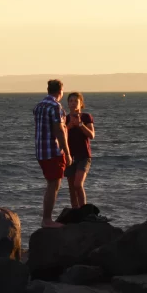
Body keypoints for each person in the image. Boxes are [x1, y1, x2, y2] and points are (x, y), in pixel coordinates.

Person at [34, 79, 72, 228]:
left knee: (51, 183)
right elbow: (59, 130)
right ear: (60, 91)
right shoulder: (55, 106)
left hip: (41, 150)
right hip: (52, 151)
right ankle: (47, 219)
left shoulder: (39, 106)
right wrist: (67, 152)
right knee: (54, 184)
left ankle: (47, 218)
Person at [64, 92, 95, 209]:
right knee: (72, 187)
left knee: (78, 184)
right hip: (69, 156)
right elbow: (60, 137)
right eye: (70, 101)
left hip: (84, 156)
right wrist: (68, 127)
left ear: (81, 103)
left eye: (75, 101)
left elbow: (91, 135)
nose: (73, 103)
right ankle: (75, 211)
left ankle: (84, 209)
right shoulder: (65, 119)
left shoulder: (86, 117)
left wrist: (80, 125)